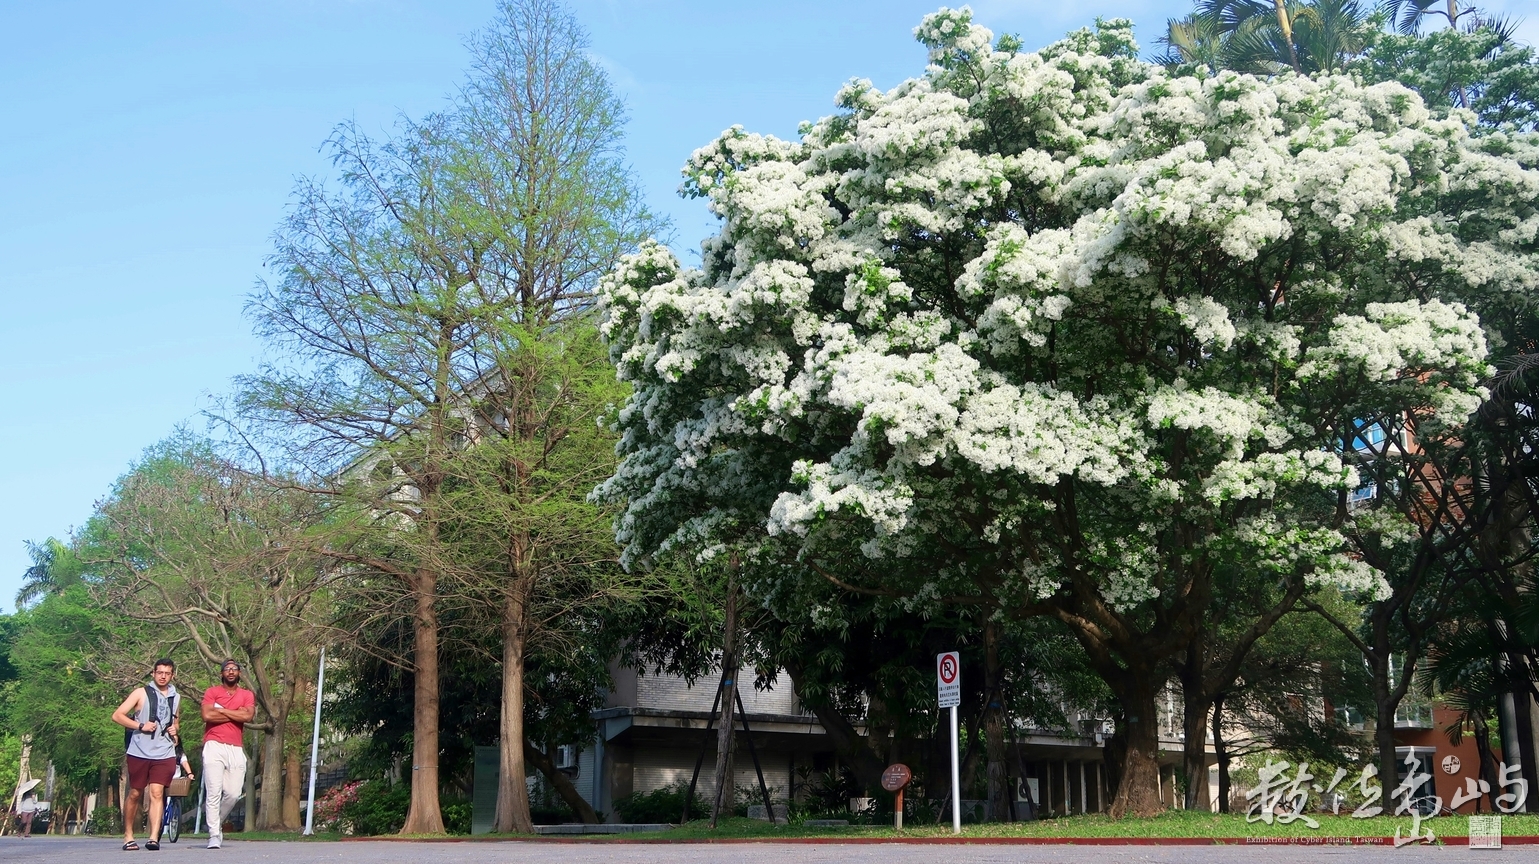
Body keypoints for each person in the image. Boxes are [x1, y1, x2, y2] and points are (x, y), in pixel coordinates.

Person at [112, 658, 181, 851]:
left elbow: (175, 722)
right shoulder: (140, 693)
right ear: (153, 673)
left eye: (167, 673)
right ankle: (128, 835)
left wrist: (175, 730)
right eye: (160, 672)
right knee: (135, 793)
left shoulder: (176, 697)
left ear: (172, 675)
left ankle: (153, 837)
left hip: (164, 751)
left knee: (157, 792)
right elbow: (117, 715)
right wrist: (140, 725)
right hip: (139, 751)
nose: (163, 676)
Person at [201, 659, 254, 850]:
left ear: (239, 673)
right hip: (213, 744)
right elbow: (207, 716)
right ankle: (214, 834)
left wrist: (220, 710)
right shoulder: (212, 692)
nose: (231, 672)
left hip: (235, 747)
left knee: (233, 793)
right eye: (227, 669)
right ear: (222, 673)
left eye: (234, 669)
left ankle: (214, 821)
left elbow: (248, 716)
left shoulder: (246, 694)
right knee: (214, 792)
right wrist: (234, 712)